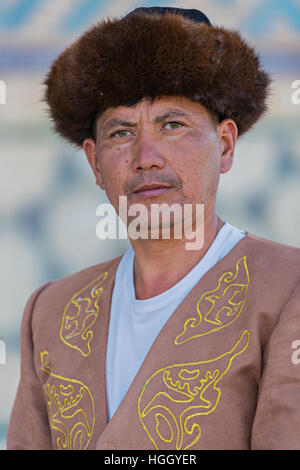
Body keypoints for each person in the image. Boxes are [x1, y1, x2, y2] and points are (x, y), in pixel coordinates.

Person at [7, 6, 300, 450]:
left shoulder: (288, 288)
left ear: (224, 145)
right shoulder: (51, 312)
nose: (147, 156)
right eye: (121, 133)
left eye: (173, 125)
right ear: (95, 162)